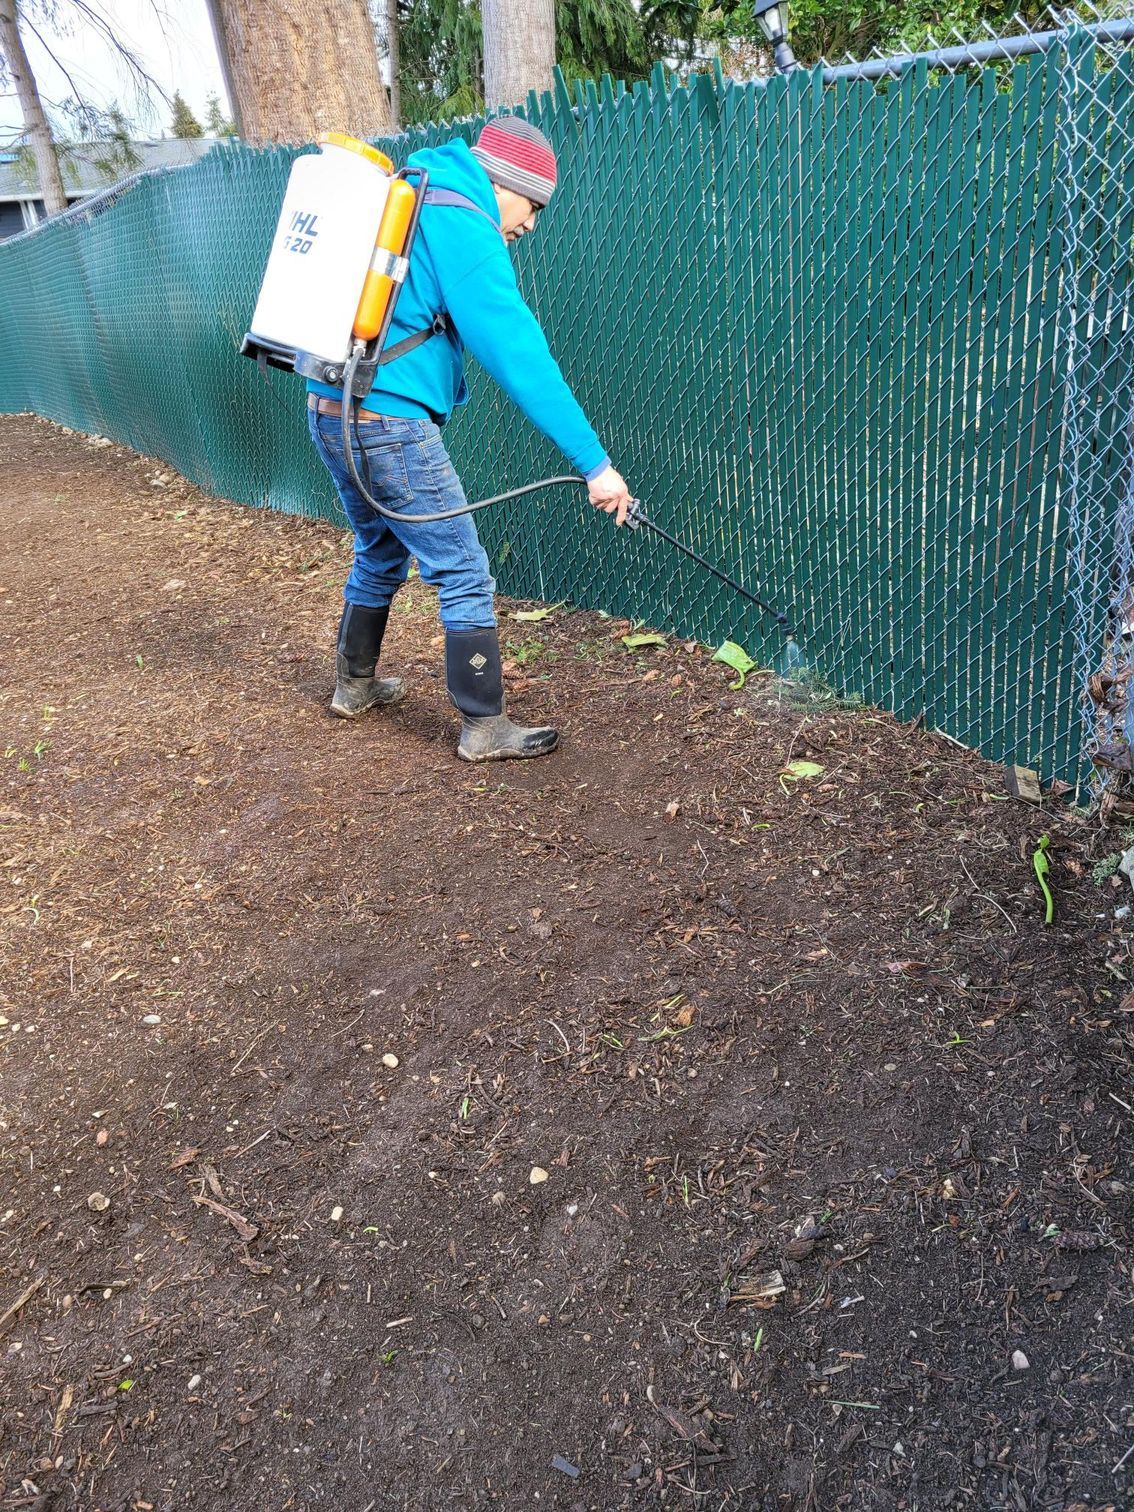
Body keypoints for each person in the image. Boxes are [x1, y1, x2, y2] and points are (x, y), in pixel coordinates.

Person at [306, 116, 633, 762]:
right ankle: (484, 726)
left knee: (379, 547)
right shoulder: (464, 221)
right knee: (462, 568)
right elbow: (520, 355)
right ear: (503, 185)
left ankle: (354, 685)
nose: (532, 224)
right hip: (389, 422)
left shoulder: (420, 186)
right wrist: (596, 464)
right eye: (533, 205)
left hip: (329, 407)